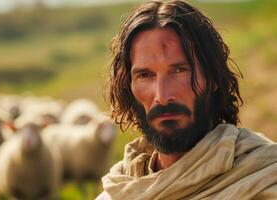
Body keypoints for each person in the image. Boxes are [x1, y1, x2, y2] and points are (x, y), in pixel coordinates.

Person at [96, 0, 277, 199]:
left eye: (179, 70)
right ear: (129, 87)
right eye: (145, 75)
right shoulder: (118, 191)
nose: (162, 97)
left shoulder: (264, 180)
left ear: (212, 77)